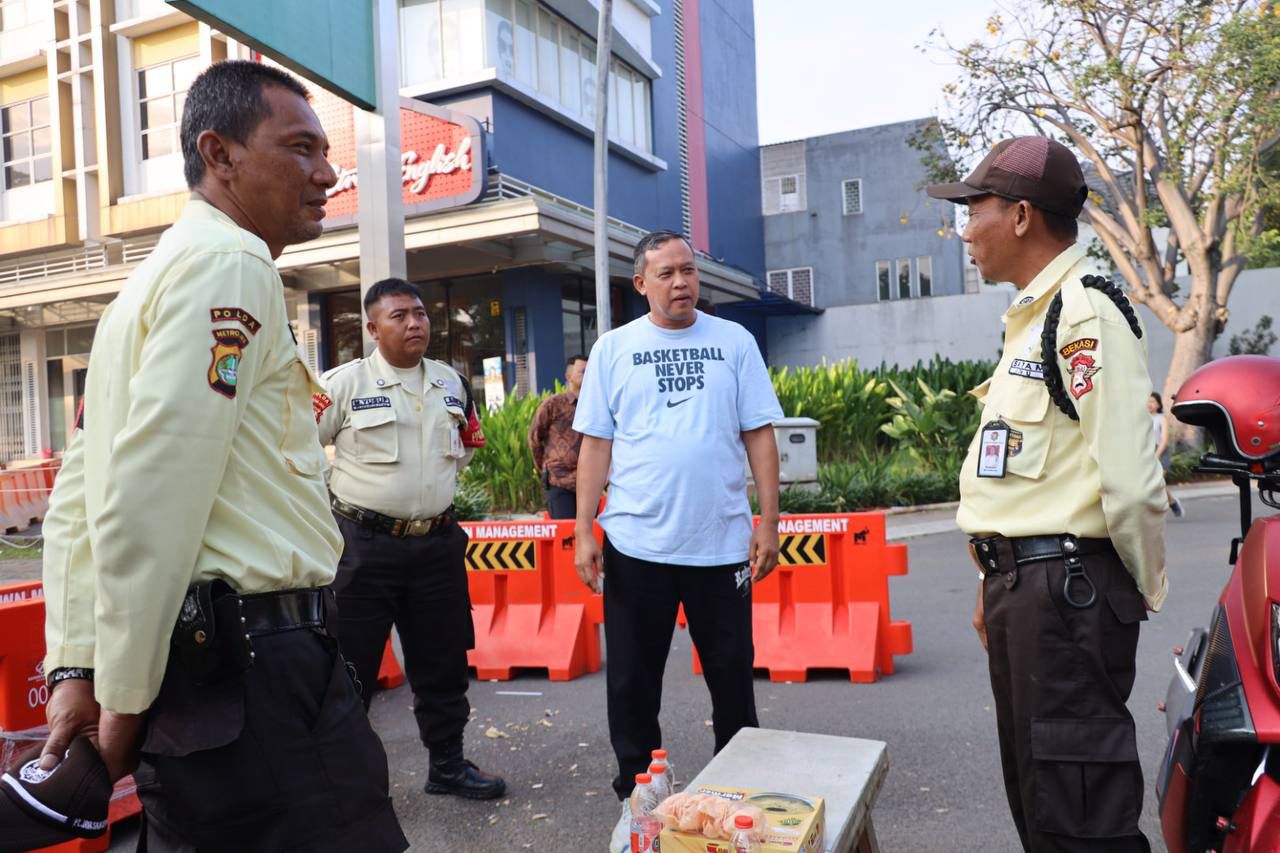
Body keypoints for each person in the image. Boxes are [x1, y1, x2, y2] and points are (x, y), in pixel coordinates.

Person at [38, 60, 407, 851]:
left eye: (326, 151)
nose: (327, 171)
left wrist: (75, 667)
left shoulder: (143, 289)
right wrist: (121, 708)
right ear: (221, 152)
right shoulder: (231, 265)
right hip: (259, 676)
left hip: (210, 682)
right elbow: (150, 498)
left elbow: (79, 492)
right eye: (301, 147)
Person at [927, 136, 1167, 853]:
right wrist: (992, 575)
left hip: (1066, 594)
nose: (965, 230)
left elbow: (1129, 479)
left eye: (975, 210)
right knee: (1043, 803)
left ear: (1023, 215)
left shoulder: (1082, 312)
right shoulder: (1035, 317)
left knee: (1079, 817)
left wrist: (1138, 588)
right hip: (1029, 588)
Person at [571, 230, 783, 849]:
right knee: (633, 681)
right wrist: (585, 530)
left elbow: (759, 434)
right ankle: (636, 793)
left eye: (687, 271)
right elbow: (596, 444)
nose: (680, 282)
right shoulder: (614, 349)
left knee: (731, 676)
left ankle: (736, 794)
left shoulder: (734, 341)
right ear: (640, 283)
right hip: (636, 545)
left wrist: (768, 521)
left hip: (721, 545)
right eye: (665, 273)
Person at [316, 278, 506, 801]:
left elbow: (466, 446)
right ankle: (346, 784)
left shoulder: (449, 382)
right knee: (349, 668)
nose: (414, 322)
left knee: (442, 664)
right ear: (373, 329)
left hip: (436, 546)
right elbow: (296, 451)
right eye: (399, 316)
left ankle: (447, 766)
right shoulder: (341, 385)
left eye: (420, 313)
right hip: (362, 546)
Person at [528, 354, 588, 519]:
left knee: (590, 533)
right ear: (569, 376)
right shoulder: (552, 405)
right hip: (559, 482)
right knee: (565, 537)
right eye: (583, 371)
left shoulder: (596, 405)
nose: (588, 375)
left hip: (589, 482)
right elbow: (535, 438)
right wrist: (546, 468)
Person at [1150, 392, 1185, 518]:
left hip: (1160, 452)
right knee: (1152, 484)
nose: (1150, 404)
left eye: (1153, 401)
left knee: (1157, 482)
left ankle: (1171, 503)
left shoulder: (1161, 419)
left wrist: (1156, 455)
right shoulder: (1143, 419)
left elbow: (1164, 440)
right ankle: (1171, 502)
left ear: (1158, 404)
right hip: (1147, 452)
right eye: (1148, 401)